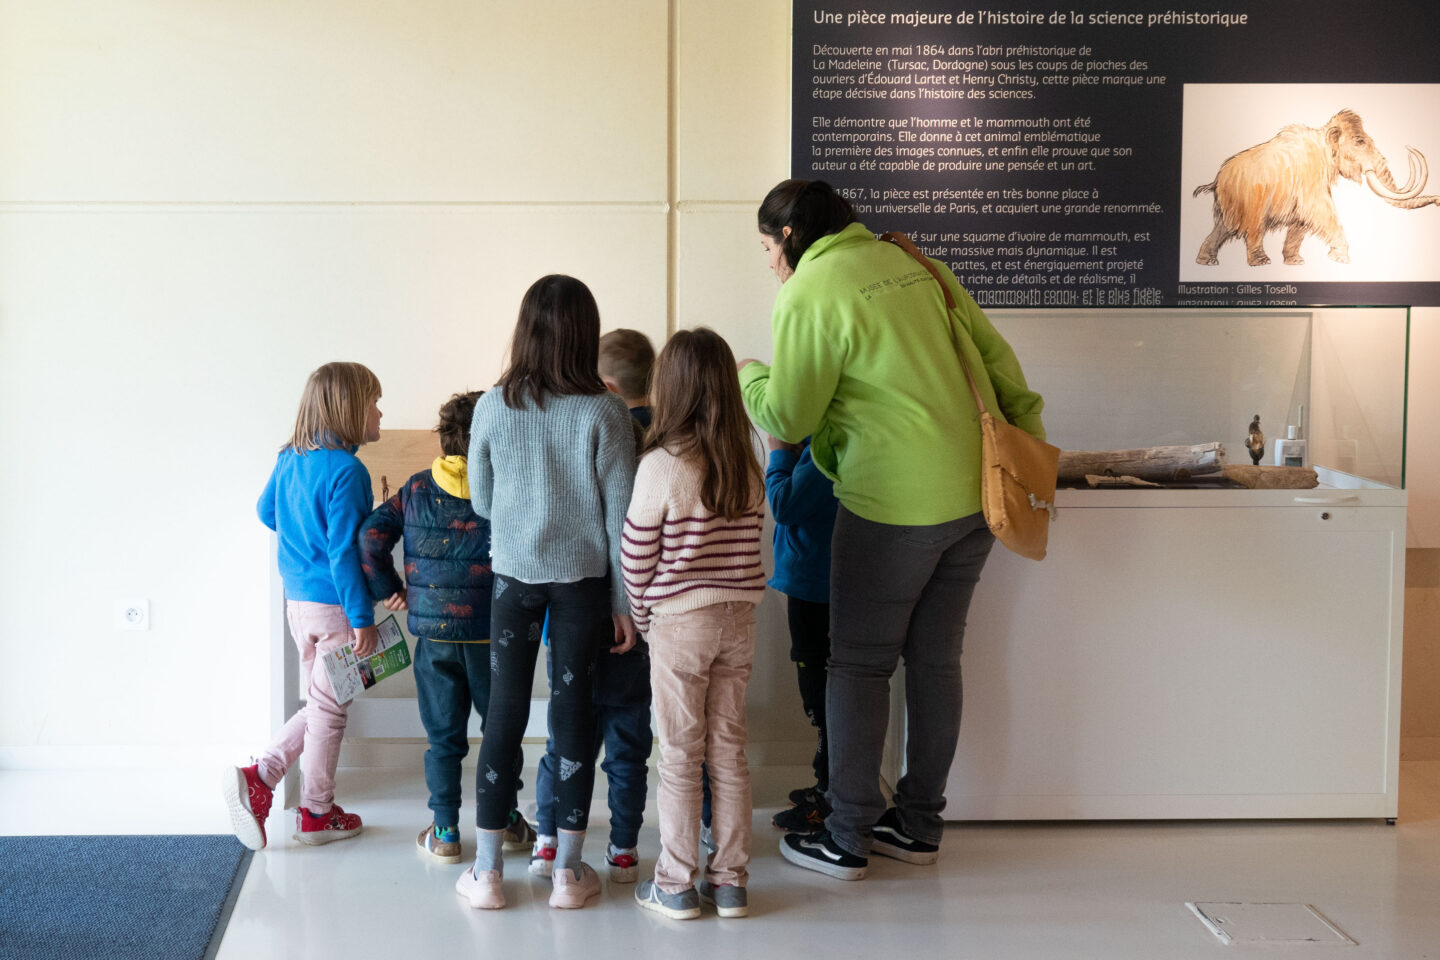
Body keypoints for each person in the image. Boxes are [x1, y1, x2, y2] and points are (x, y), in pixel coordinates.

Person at [738, 179, 1046, 881]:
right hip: (977, 494)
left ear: (788, 236)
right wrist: (1027, 446)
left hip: (892, 502)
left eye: (766, 247)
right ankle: (917, 827)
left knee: (858, 664)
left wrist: (751, 375)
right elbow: (1000, 364)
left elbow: (787, 417)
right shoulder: (914, 261)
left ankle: (846, 837)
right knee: (936, 661)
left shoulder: (809, 289)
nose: (769, 262)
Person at [460, 275, 638, 911]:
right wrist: (624, 604)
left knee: (503, 715)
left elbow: (482, 500)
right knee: (572, 717)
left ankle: (487, 873)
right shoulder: (606, 413)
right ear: (586, 334)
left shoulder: (491, 406)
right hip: (582, 586)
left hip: (513, 580)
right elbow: (621, 521)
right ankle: (566, 872)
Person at [356, 390, 536, 866]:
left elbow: (370, 536)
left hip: (435, 638)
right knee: (500, 731)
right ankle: (508, 819)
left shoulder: (416, 489)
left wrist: (389, 590)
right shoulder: (507, 486)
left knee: (443, 738)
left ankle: (445, 831)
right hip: (494, 636)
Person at [625, 327, 767, 921]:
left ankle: (676, 883)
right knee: (728, 752)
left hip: (680, 624)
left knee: (681, 756)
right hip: (740, 619)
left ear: (672, 388)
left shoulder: (661, 465)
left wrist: (641, 618)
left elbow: (637, 557)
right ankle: (730, 883)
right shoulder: (747, 461)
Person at [222, 361, 385, 851]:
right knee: (330, 712)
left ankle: (263, 777)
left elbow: (265, 511)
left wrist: (302, 537)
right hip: (336, 608)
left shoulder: (289, 459)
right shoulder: (348, 471)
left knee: (321, 703)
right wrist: (363, 619)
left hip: (298, 604)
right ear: (350, 409)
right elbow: (343, 553)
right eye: (374, 403)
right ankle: (316, 811)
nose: (380, 412)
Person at [532, 329, 656, 884]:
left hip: (573, 614)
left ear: (605, 387)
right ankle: (624, 849)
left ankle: (548, 841)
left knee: (563, 738)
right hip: (639, 620)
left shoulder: (574, 433)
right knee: (628, 747)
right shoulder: (664, 442)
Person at [763, 434, 838, 833]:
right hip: (818, 583)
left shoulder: (822, 450)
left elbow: (783, 504)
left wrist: (779, 453)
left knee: (821, 693)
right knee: (823, 690)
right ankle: (826, 786)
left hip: (815, 586)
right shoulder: (819, 445)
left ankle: (827, 798)